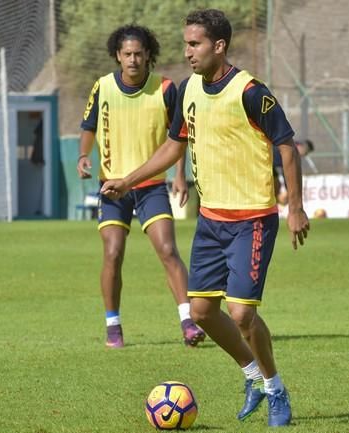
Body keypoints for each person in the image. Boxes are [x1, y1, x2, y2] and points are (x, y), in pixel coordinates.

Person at [101, 9, 310, 427]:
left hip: (251, 218)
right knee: (200, 312)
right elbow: (173, 147)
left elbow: (286, 146)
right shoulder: (189, 89)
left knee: (241, 315)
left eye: (195, 44)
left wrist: (296, 207)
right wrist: (128, 179)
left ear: (219, 46)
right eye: (186, 44)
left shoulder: (250, 92)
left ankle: (275, 387)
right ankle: (251, 375)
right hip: (211, 220)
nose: (188, 52)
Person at [76, 24, 205, 349]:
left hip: (151, 186)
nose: (133, 60)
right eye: (127, 54)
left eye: (139, 54)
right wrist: (82, 156)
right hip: (111, 187)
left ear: (148, 55)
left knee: (167, 250)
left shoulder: (164, 89)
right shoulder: (103, 87)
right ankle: (113, 325)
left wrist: (179, 175)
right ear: (118, 56)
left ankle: (188, 321)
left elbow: (178, 136)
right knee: (113, 252)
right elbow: (89, 126)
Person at [273, 139, 313, 204]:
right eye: (305, 152)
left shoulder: (290, 145)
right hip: (266, 163)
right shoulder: (291, 150)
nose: (304, 155)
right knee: (276, 185)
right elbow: (287, 172)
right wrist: (289, 191)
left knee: (277, 185)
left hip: (269, 165)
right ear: (300, 146)